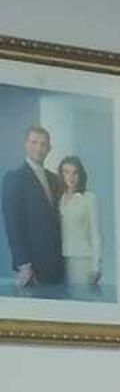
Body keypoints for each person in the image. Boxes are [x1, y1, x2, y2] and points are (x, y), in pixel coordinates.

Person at [2, 123, 64, 292]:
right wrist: (24, 264)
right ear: (26, 144)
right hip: (33, 266)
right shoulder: (14, 178)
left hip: (58, 263)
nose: (39, 148)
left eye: (43, 144)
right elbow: (12, 225)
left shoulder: (54, 179)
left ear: (49, 148)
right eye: (34, 142)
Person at [56, 156, 102, 293]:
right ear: (61, 174)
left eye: (75, 172)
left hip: (82, 260)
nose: (71, 177)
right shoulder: (58, 198)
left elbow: (95, 233)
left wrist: (96, 266)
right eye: (66, 172)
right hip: (59, 260)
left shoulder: (89, 198)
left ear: (80, 175)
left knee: (81, 298)